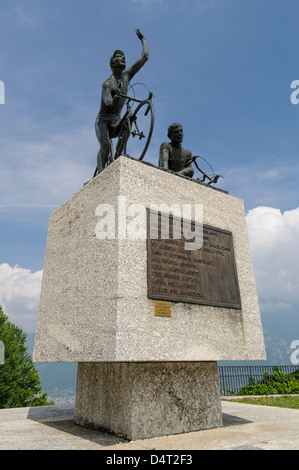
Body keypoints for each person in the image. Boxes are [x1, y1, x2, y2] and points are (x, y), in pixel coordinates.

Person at [95, 29, 149, 175]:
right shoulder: (107, 84)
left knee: (128, 122)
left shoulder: (127, 76)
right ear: (113, 62)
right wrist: (114, 99)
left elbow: (144, 57)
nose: (123, 58)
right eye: (119, 57)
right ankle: (100, 175)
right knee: (105, 145)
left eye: (124, 57)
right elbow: (107, 101)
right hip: (103, 121)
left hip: (115, 120)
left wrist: (142, 39)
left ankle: (119, 156)